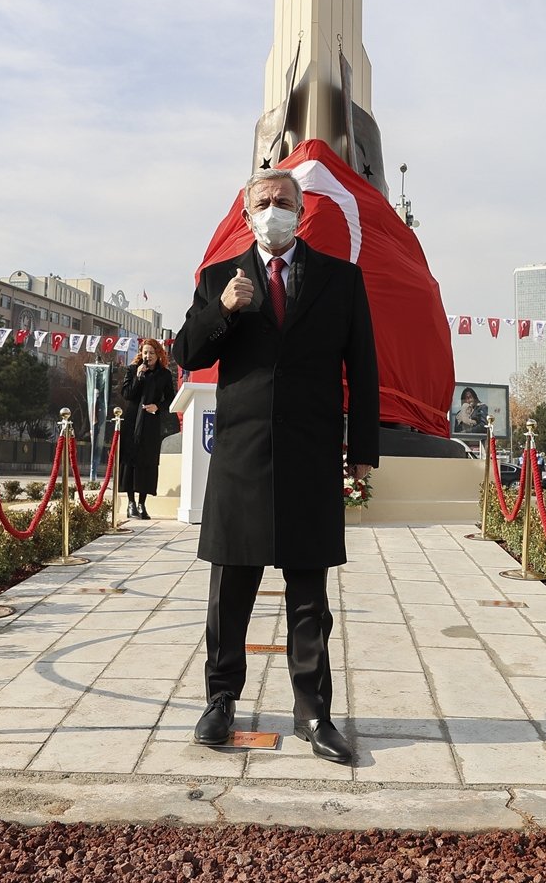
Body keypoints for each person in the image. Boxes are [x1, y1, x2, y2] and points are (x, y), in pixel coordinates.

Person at [173, 168, 379, 766]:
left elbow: (362, 368)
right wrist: (224, 310)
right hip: (242, 456)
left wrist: (361, 449)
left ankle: (314, 712)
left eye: (283, 201)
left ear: (300, 210)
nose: (274, 209)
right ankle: (220, 701)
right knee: (229, 593)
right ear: (246, 212)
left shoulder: (341, 280)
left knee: (309, 598)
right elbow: (188, 353)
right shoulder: (219, 278)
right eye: (263, 202)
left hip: (310, 456)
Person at [118, 338, 175, 519]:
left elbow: (170, 399)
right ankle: (131, 503)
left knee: (147, 462)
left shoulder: (164, 375)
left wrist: (157, 407)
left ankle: (142, 503)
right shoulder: (133, 370)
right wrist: (138, 377)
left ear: (158, 355)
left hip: (150, 423)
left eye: (151, 353)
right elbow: (127, 394)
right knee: (129, 460)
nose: (147, 356)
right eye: (145, 352)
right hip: (132, 421)